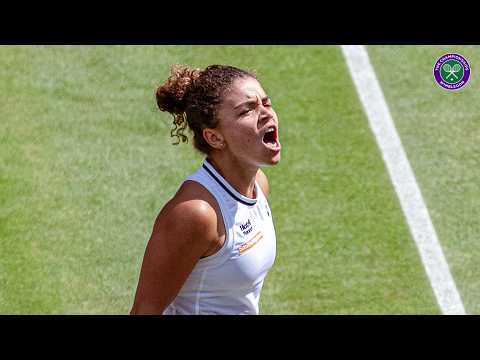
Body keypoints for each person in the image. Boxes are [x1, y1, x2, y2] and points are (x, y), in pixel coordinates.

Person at [130, 64, 281, 315]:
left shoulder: (258, 185)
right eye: (247, 110)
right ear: (214, 137)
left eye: (266, 103)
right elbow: (145, 310)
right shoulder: (197, 214)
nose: (266, 114)